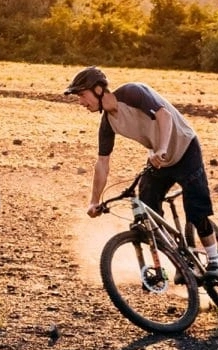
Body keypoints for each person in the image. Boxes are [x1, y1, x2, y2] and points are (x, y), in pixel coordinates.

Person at [64, 66, 218, 278]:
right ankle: (181, 258)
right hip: (159, 161)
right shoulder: (108, 123)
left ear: (99, 89)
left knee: (196, 208)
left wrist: (162, 149)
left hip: (185, 148)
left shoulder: (132, 92)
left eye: (82, 95)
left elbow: (164, 116)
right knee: (147, 208)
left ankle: (214, 260)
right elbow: (102, 162)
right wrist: (94, 200)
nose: (81, 102)